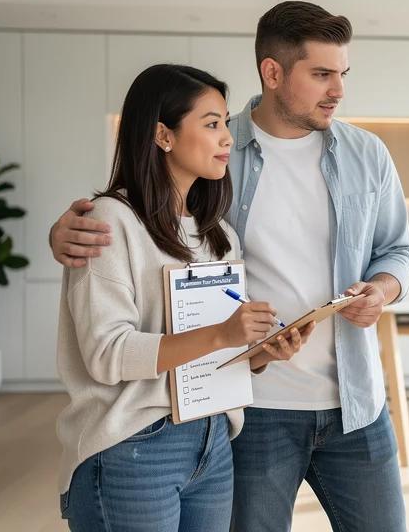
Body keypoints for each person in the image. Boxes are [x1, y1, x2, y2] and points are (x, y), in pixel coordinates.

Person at [49, 2, 409, 532]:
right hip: (246, 407)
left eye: (342, 74)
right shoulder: (216, 153)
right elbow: (136, 216)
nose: (338, 89)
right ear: (273, 72)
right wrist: (65, 232)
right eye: (321, 74)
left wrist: (382, 290)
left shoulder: (366, 154)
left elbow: (398, 250)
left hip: (354, 403)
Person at [56, 64, 313, 532]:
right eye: (211, 124)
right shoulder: (111, 223)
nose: (227, 139)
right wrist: (221, 333)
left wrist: (257, 354)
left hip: (212, 439)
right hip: (133, 446)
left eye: (224, 125)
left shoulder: (217, 235)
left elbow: (213, 352)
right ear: (163, 135)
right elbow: (107, 354)